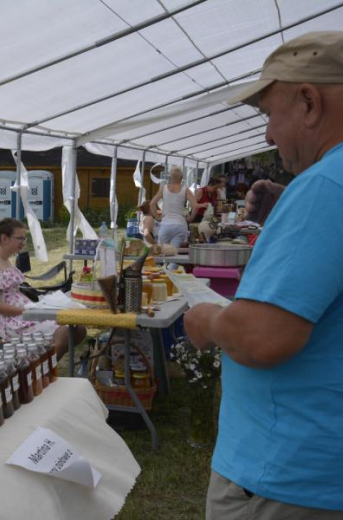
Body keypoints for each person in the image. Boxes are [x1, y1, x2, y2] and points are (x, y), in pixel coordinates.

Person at [183, 31, 343, 519]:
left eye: (270, 114)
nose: (269, 135)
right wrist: (288, 218)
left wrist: (207, 320)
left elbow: (262, 338)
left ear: (309, 103)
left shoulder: (325, 186)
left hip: (287, 477)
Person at [0, 218, 86, 357]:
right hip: (11, 320)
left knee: (79, 329)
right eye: (19, 238)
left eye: (24, 238)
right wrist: (30, 311)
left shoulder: (4, 260)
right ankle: (40, 368)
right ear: (5, 238)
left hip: (25, 312)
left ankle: (44, 364)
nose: (23, 242)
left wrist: (38, 308)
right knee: (65, 331)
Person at [149, 166, 201, 249]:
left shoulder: (163, 188)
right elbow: (195, 206)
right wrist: (191, 218)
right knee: (175, 254)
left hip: (165, 224)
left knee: (163, 253)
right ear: (181, 178)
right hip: (180, 225)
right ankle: (172, 262)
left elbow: (152, 204)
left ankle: (165, 262)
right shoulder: (186, 190)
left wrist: (157, 217)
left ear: (170, 177)